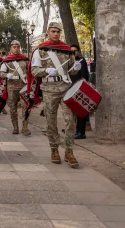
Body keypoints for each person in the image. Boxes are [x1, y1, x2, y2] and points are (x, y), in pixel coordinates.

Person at [28, 22, 82, 168]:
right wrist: (45, 71)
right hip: (49, 89)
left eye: (58, 32)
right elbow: (34, 71)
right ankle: (54, 150)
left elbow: (71, 71)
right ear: (48, 32)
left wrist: (76, 67)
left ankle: (69, 151)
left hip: (65, 88)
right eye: (53, 31)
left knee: (70, 120)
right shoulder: (40, 50)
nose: (56, 34)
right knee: (51, 122)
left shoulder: (66, 50)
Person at [0, 40, 31, 135]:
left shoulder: (25, 60)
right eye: (14, 47)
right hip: (11, 87)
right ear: (10, 48)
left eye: (18, 47)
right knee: (12, 108)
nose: (16, 49)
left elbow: (31, 71)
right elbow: (1, 73)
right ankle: (15, 127)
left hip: (23, 86)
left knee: (25, 107)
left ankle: (25, 127)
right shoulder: (6, 61)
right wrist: (6, 75)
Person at [70, 44, 90, 140]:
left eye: (75, 51)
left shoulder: (81, 61)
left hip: (80, 88)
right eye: (71, 51)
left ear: (78, 52)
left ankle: (81, 132)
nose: (73, 53)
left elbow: (84, 75)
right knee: (74, 112)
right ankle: (76, 130)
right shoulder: (69, 61)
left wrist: (82, 87)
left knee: (81, 112)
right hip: (71, 88)